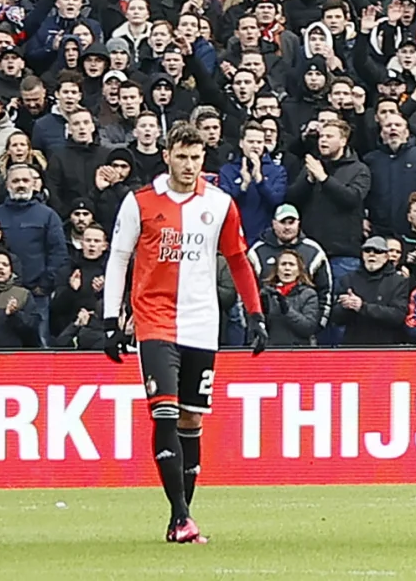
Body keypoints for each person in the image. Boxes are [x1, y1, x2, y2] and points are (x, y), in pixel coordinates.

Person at [103, 127, 265, 544]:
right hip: (154, 320)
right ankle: (180, 516)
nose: (190, 166)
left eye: (196, 158)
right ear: (167, 156)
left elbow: (238, 260)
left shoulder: (219, 203)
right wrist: (110, 318)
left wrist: (255, 314)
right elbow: (119, 258)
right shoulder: (139, 202)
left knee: (192, 418)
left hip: (201, 323)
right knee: (165, 412)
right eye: (182, 157)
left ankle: (183, 516)